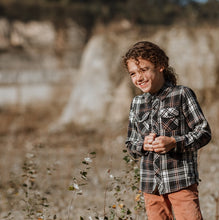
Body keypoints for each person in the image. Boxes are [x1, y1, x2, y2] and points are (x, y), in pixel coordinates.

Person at [123, 41, 211, 220]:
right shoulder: (137, 103)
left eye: (144, 69)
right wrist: (143, 145)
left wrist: (175, 142)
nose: (138, 77)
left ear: (161, 65)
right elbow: (131, 144)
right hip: (151, 187)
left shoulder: (181, 95)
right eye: (133, 73)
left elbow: (204, 132)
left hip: (181, 182)